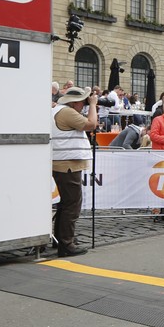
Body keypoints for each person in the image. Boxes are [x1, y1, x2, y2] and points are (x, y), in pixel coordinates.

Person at [51, 86, 98, 257]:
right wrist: (93, 105)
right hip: (67, 164)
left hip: (62, 162)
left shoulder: (58, 110)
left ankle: (60, 239)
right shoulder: (67, 112)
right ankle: (66, 244)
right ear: (75, 102)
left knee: (65, 204)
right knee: (72, 204)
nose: (84, 105)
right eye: (83, 101)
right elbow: (91, 124)